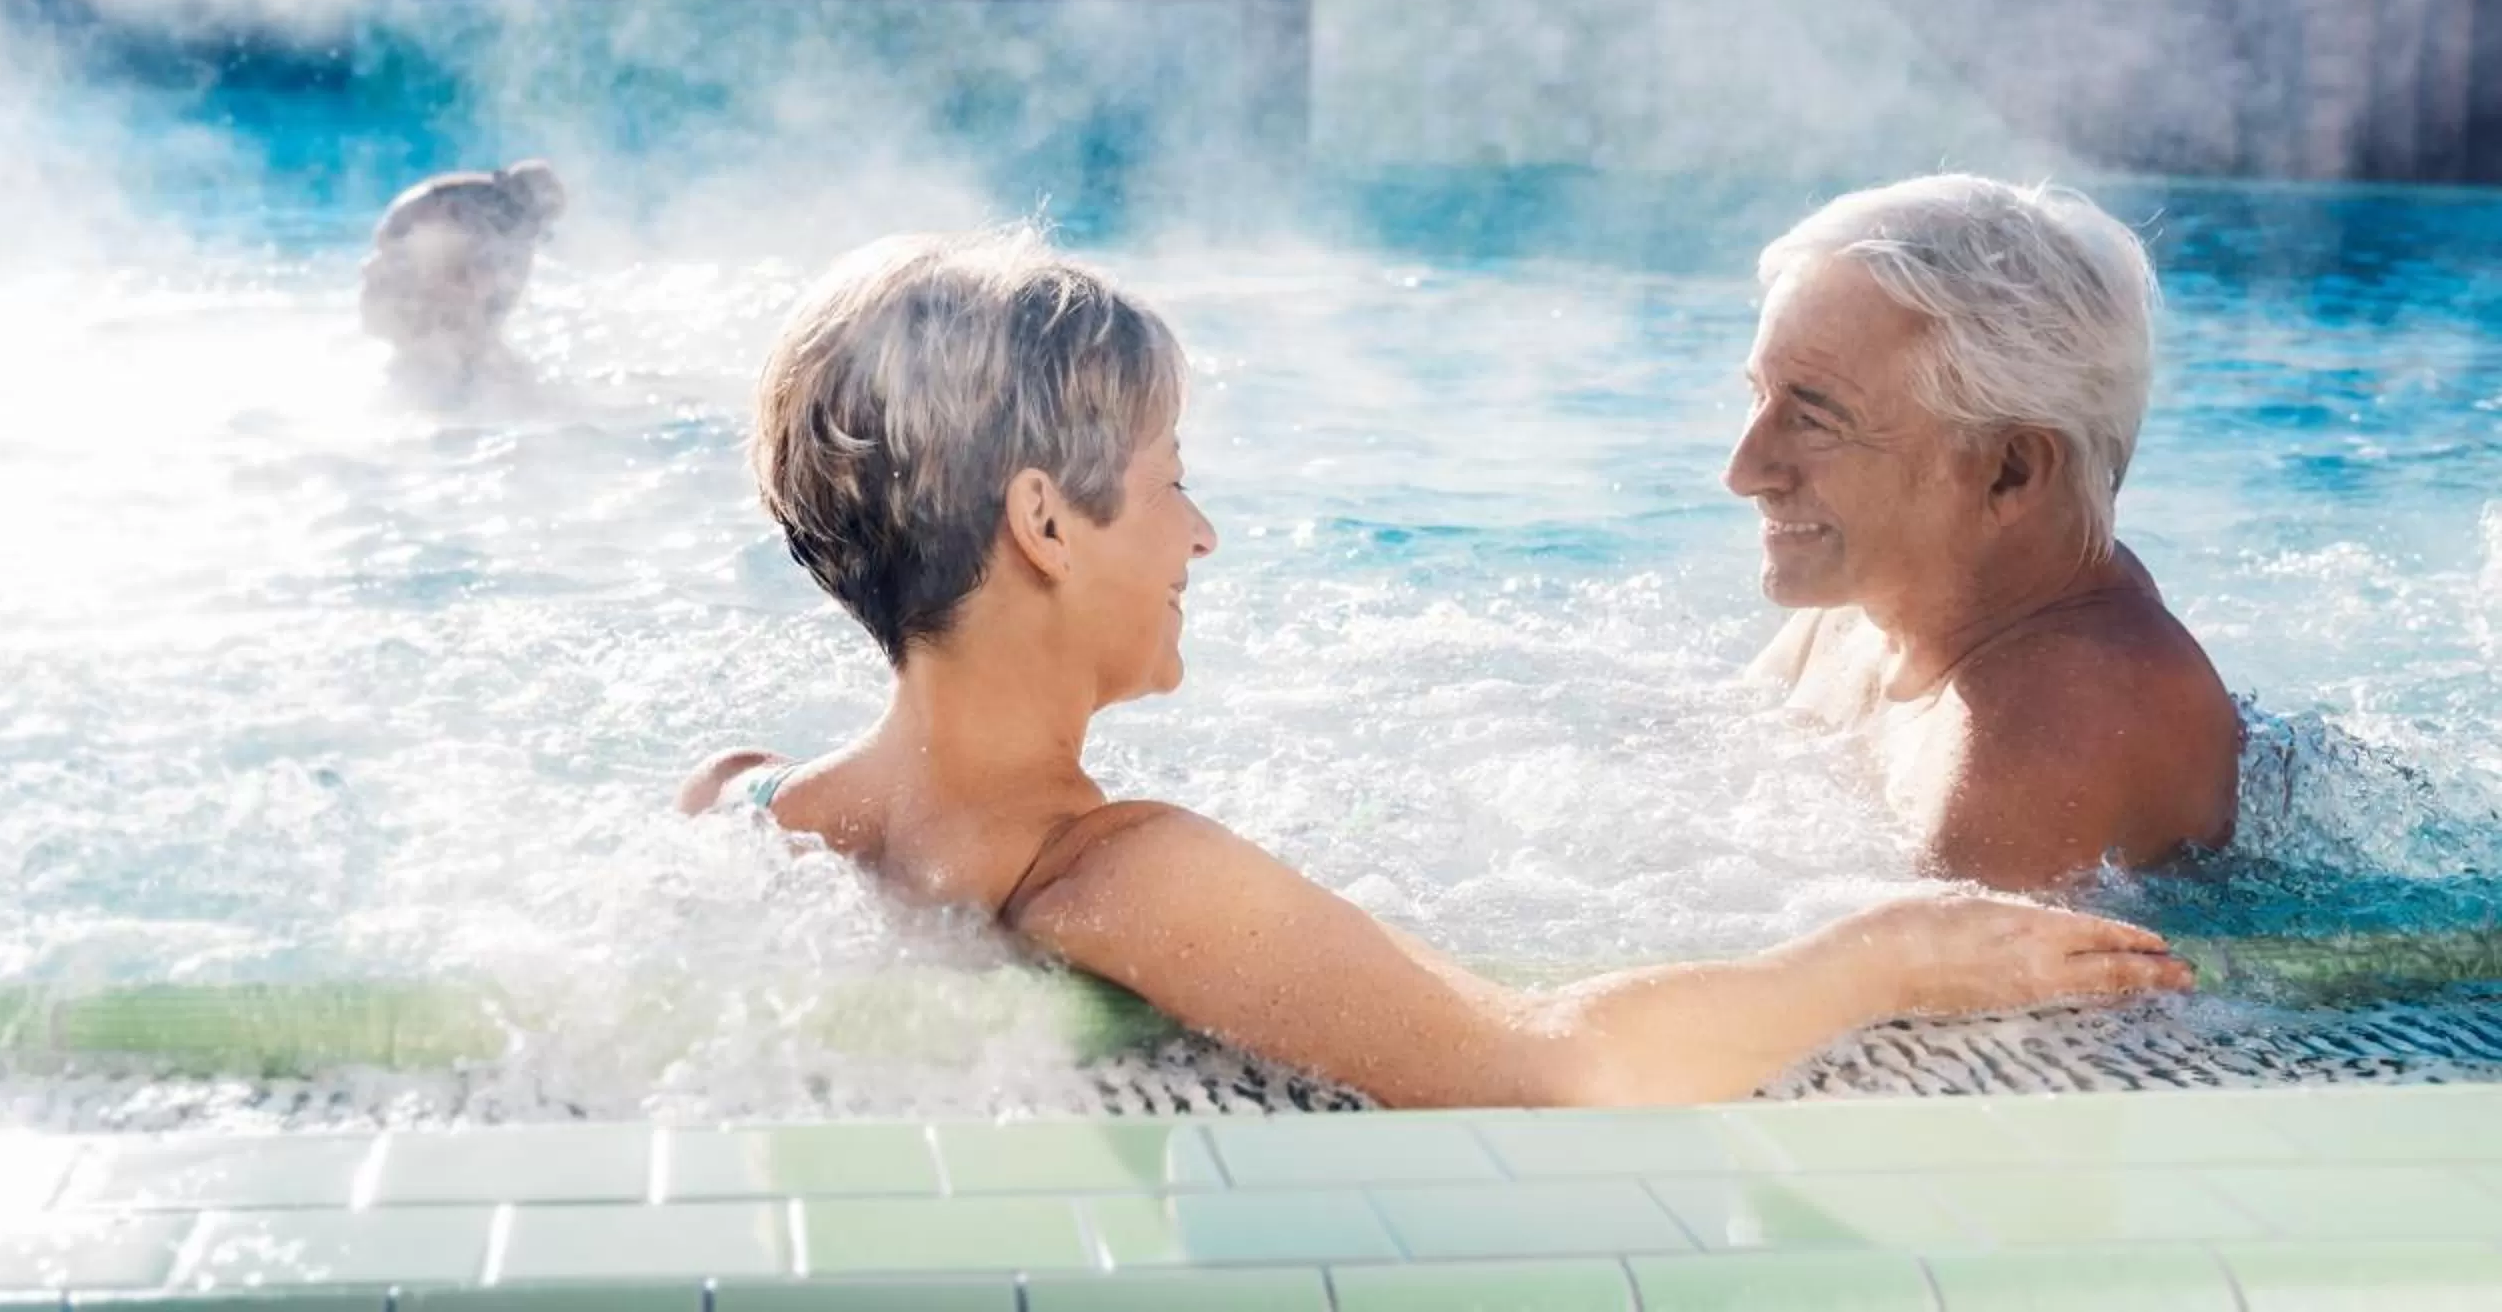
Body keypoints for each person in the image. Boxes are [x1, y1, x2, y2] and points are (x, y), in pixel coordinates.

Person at [680, 227, 2188, 1109]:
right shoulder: (1117, 871)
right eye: (1171, 478)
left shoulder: (755, 802)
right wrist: (1880, 955)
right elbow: (1553, 1070)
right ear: (1046, 523)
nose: (1201, 534)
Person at [1730, 174, 2239, 891]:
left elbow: (1922, 1001)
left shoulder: (2048, 732)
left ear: (2011, 471)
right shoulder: (1883, 601)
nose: (1744, 471)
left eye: (1813, 421)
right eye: (1757, 396)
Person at [359, 160, 567, 407]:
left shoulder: (478, 203)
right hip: (398, 286)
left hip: (391, 281)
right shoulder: (475, 212)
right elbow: (489, 290)